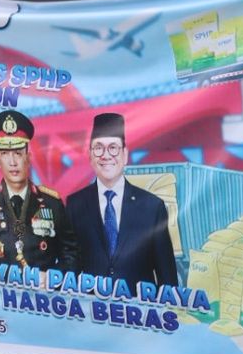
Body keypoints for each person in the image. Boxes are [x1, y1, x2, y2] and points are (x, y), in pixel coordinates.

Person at [67, 112, 179, 287]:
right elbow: (70, 266)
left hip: (139, 312)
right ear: (90, 155)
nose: (105, 155)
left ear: (125, 155)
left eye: (113, 147)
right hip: (90, 310)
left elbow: (167, 278)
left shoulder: (152, 206)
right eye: (98, 148)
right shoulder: (75, 204)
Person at [0, 110, 78, 272]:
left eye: (18, 153)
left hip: (44, 295)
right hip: (2, 294)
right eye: (5, 154)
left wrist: (52, 278)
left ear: (29, 156)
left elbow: (71, 254)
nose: (13, 162)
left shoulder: (51, 202)